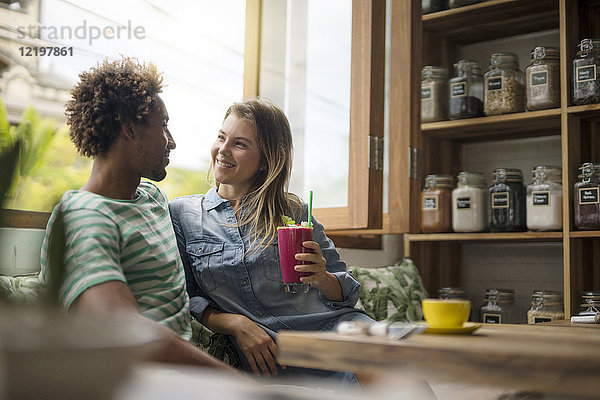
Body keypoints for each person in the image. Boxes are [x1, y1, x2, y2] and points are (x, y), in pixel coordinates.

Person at [38, 57, 231, 372]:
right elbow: (124, 332)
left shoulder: (152, 198)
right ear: (129, 128)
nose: (172, 142)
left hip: (179, 380)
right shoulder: (84, 216)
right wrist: (239, 382)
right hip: (136, 381)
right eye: (163, 125)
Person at [169, 97, 374, 385]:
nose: (223, 150)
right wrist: (236, 324)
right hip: (273, 354)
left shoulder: (294, 211)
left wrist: (323, 277)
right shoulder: (183, 214)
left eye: (239, 144)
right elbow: (186, 297)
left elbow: (346, 290)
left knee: (392, 370)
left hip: (336, 333)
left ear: (266, 160)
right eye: (221, 137)